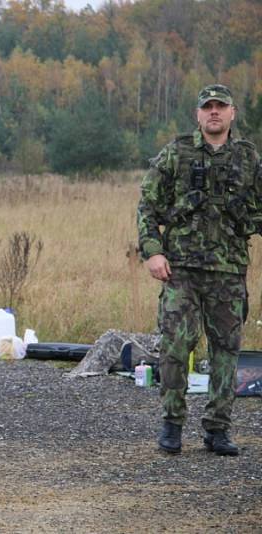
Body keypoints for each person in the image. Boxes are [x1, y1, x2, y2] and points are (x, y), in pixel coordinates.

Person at [137, 84, 261, 456]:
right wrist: (152, 251)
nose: (214, 112)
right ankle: (172, 423)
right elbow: (147, 206)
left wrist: (248, 219)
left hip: (228, 271)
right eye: (207, 106)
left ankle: (218, 429)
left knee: (227, 350)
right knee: (176, 346)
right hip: (182, 270)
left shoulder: (248, 158)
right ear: (198, 114)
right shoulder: (177, 153)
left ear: (232, 113)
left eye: (220, 106)